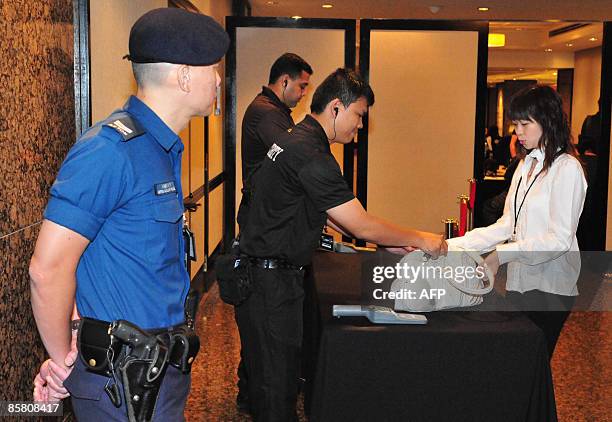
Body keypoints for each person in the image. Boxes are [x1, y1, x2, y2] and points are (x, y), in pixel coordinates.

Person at [28, 8, 229, 420]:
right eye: (213, 68)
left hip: (159, 371)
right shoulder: (109, 151)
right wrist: (62, 359)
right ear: (185, 76)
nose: (219, 80)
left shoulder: (159, 149)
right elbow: (47, 270)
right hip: (120, 382)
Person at [236, 68, 447, 421]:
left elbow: (326, 211)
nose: (360, 126)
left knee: (275, 382)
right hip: (270, 284)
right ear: (336, 107)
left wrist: (388, 245)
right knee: (277, 390)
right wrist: (420, 238)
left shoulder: (300, 139)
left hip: (265, 279)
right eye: (359, 115)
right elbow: (359, 222)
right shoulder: (309, 153)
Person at [449, 85, 587, 359]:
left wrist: (501, 254)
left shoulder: (567, 168)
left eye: (525, 124)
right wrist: (452, 245)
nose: (518, 132)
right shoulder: (526, 165)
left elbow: (559, 239)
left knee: (531, 363)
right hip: (520, 280)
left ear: (547, 121)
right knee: (516, 363)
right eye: (516, 124)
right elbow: (506, 225)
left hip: (551, 286)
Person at [235, 52, 312, 413]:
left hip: (260, 219)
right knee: (264, 322)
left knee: (258, 326)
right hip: (261, 225)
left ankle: (251, 390)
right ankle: (254, 392)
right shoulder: (267, 113)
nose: (302, 94)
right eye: (301, 86)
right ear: (283, 81)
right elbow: (295, 160)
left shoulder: (273, 112)